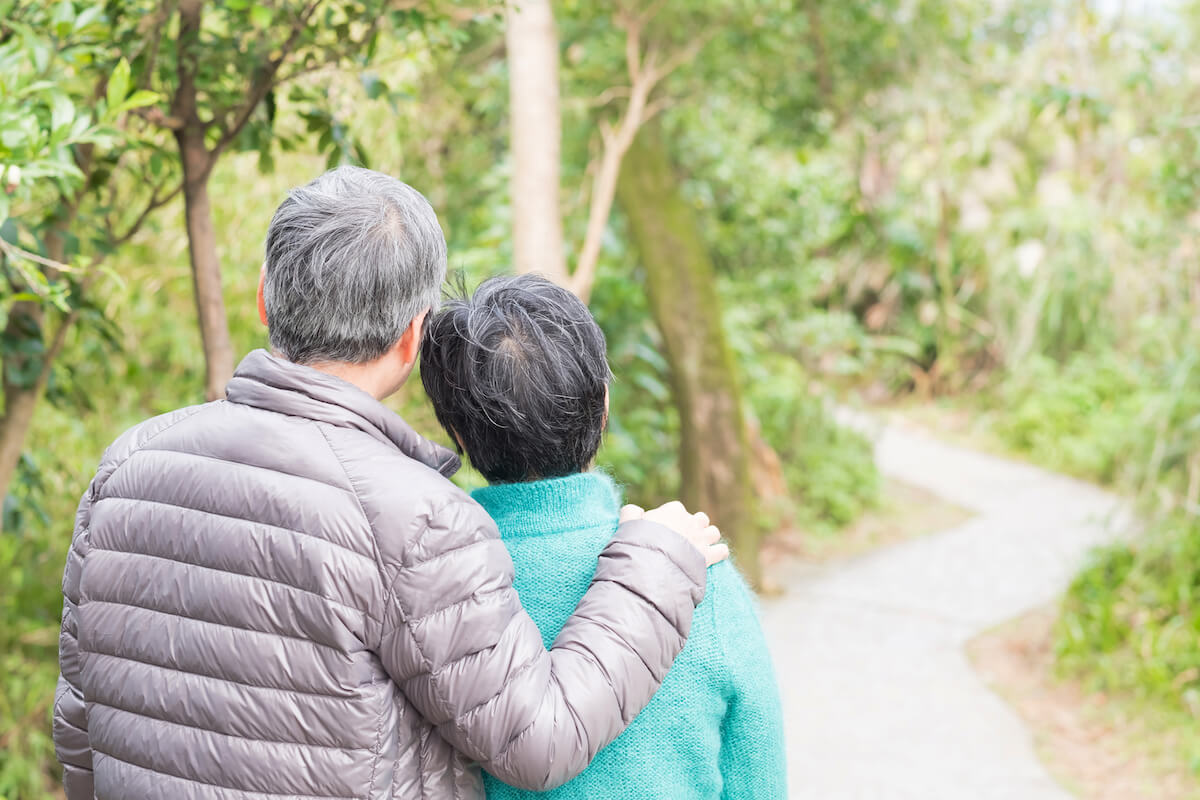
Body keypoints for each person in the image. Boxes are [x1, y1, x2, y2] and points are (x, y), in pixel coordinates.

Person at [52, 167, 728, 800]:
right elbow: (535, 740)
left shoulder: (127, 467)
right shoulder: (416, 517)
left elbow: (81, 726)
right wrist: (655, 560)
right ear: (414, 338)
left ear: (264, 296)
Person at [420, 274, 787, 800]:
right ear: (605, 404)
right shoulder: (703, 579)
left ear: (456, 434)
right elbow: (759, 783)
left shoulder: (426, 587)